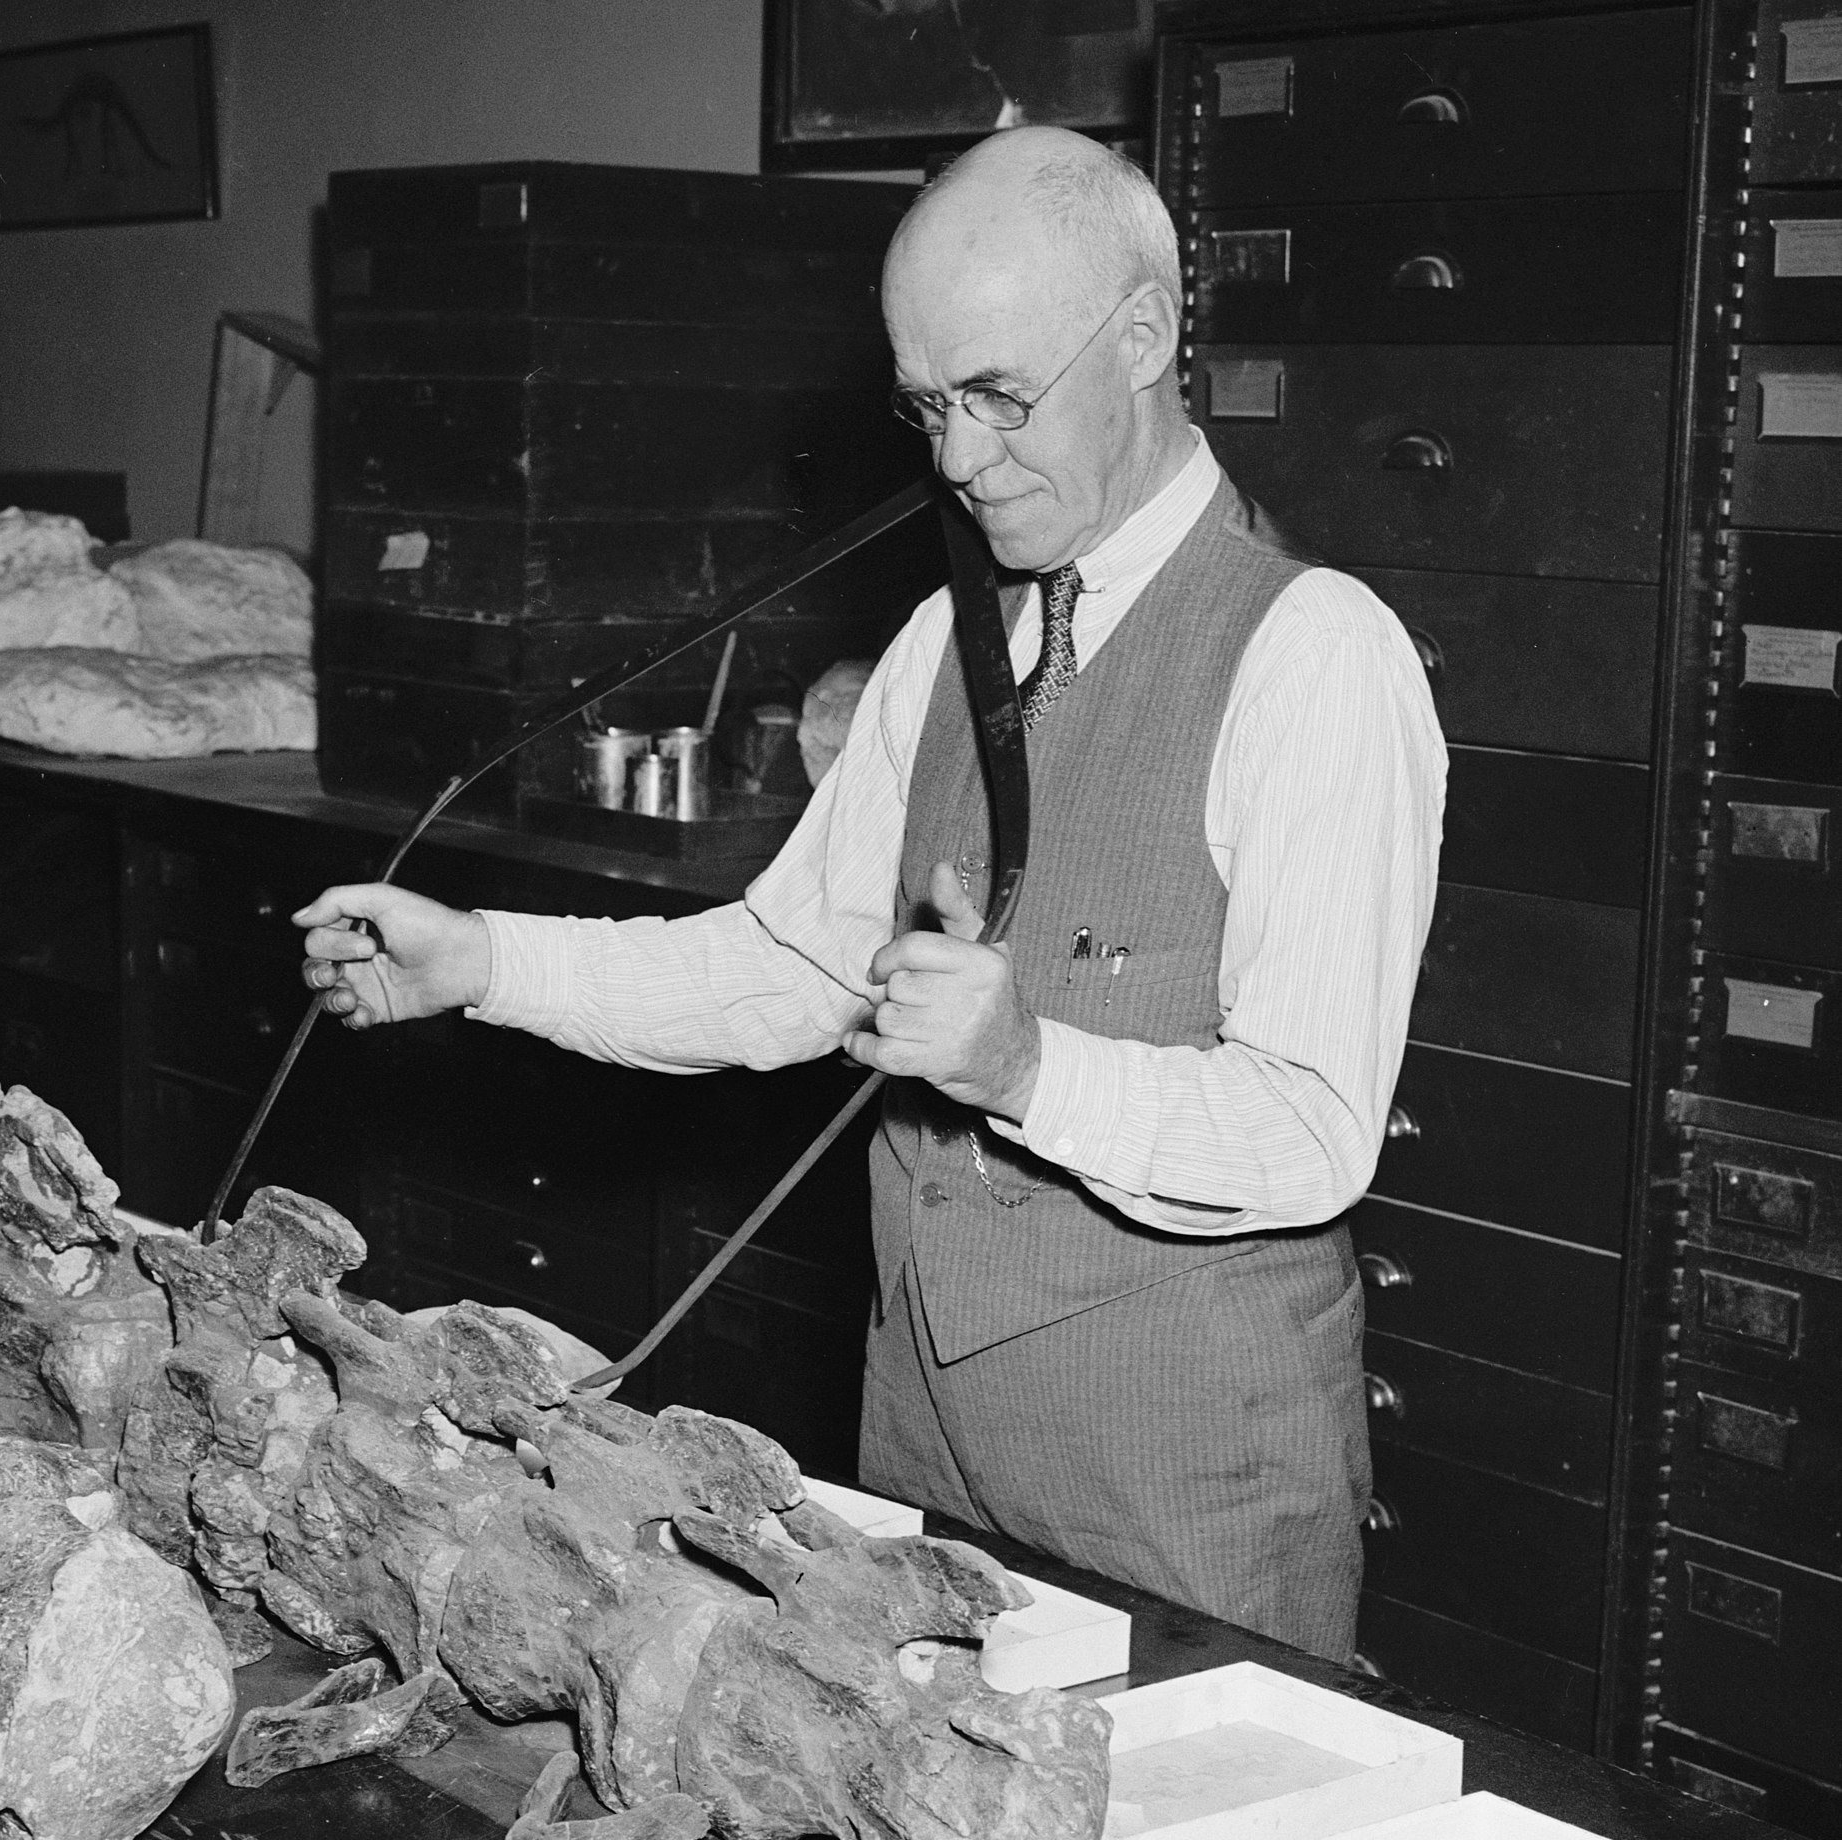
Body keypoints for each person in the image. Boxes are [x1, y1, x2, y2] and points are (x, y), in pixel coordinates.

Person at [294, 127, 1445, 1662]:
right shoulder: (942, 644)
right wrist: (484, 961)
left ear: (1148, 336)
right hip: (921, 1446)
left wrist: (1024, 1066)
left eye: (1000, 396)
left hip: (1188, 1489)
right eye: (926, 406)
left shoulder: (1316, 658)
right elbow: (792, 967)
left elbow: (1312, 1131)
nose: (958, 460)